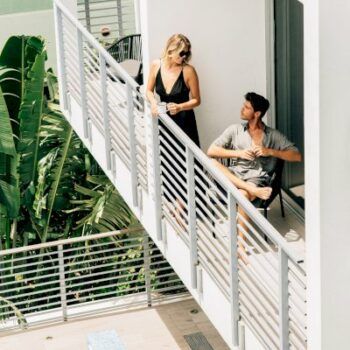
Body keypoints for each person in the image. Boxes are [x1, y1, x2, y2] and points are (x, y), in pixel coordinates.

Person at [207, 92, 301, 262]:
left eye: (247, 107)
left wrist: (270, 151)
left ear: (257, 114)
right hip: (235, 176)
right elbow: (211, 151)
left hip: (256, 179)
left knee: (242, 196)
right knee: (214, 164)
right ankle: (251, 191)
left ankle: (240, 247)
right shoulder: (234, 130)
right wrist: (239, 153)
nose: (242, 109)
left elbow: (296, 156)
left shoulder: (273, 136)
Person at [146, 33, 201, 146]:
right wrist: (153, 103)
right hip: (164, 120)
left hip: (185, 123)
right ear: (171, 51)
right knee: (166, 157)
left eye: (187, 53)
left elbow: (197, 100)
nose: (184, 56)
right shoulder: (156, 65)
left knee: (187, 160)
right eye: (182, 53)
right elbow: (148, 91)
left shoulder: (188, 71)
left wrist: (180, 107)